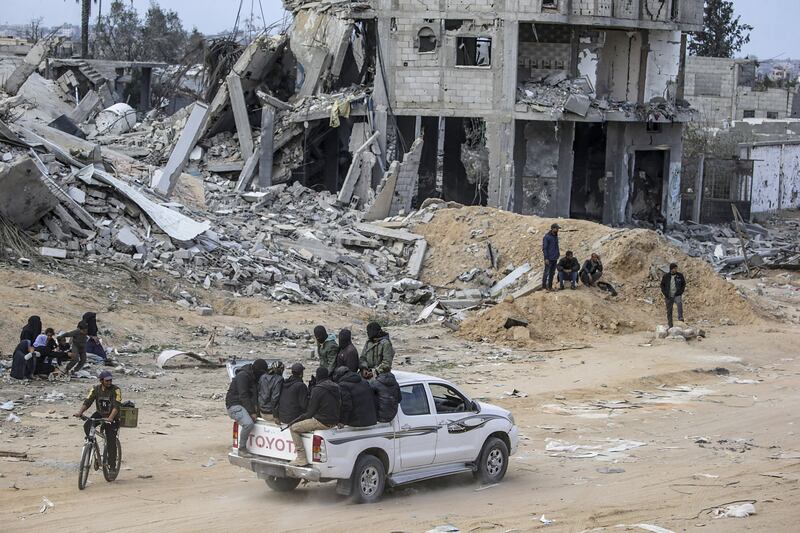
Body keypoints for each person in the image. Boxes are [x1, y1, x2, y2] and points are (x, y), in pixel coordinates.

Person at [289, 367, 340, 466]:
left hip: (322, 422)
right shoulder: (336, 387)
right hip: (334, 421)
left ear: (318, 376)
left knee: (293, 428)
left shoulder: (317, 389)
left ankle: (301, 458)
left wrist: (299, 418)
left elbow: (310, 413)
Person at [73, 370, 122, 468]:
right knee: (87, 425)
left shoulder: (116, 390)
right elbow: (88, 401)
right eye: (107, 381)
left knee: (111, 440)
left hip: (113, 416)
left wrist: (110, 418)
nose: (109, 382)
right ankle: (92, 443)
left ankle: (112, 466)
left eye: (110, 380)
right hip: (100, 414)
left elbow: (116, 406)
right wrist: (80, 412)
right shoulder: (95, 389)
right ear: (101, 381)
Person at [225, 359, 268, 455]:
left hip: (244, 404)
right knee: (248, 424)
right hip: (234, 405)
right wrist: (252, 412)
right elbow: (243, 395)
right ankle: (242, 448)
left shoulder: (252, 376)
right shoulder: (243, 376)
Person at [660, 263, 686, 328]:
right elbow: (662, 285)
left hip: (677, 294)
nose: (676, 270)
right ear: (671, 269)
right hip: (668, 296)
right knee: (669, 310)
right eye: (675, 268)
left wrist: (680, 292)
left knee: (679, 303)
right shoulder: (666, 276)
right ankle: (670, 324)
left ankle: (680, 318)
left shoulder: (680, 276)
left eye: (676, 268)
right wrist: (665, 293)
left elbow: (683, 284)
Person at [542, 223, 560, 291]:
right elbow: (545, 248)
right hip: (549, 258)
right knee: (546, 273)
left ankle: (550, 287)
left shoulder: (555, 236)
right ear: (553, 228)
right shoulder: (547, 237)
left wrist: (558, 254)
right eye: (557, 228)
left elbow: (556, 246)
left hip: (554, 258)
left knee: (552, 273)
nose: (558, 230)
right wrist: (546, 258)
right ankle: (544, 287)